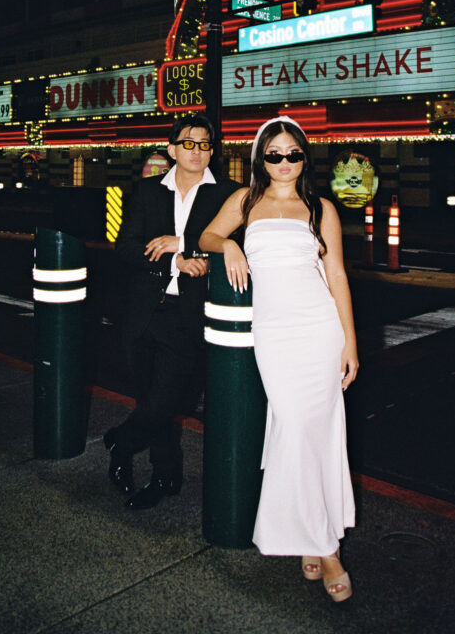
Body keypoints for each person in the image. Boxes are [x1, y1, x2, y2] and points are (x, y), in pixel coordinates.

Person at [199, 116, 358, 602]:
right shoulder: (245, 202)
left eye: (293, 154)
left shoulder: (320, 207)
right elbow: (206, 237)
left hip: (320, 330)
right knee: (292, 427)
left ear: (304, 159)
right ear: (260, 159)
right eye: (274, 155)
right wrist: (229, 243)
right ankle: (322, 540)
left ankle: (319, 542)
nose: (284, 163)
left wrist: (350, 342)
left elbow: (336, 274)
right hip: (274, 334)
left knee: (317, 435)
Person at [104, 113, 238, 510]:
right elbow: (126, 247)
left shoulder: (228, 194)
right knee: (150, 401)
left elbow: (242, 247)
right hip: (144, 312)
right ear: (172, 149)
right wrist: (172, 263)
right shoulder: (146, 192)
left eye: (204, 144)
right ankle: (166, 475)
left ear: (212, 151)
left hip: (188, 316)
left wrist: (189, 249)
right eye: (188, 142)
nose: (196, 150)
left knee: (164, 401)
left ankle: (121, 445)